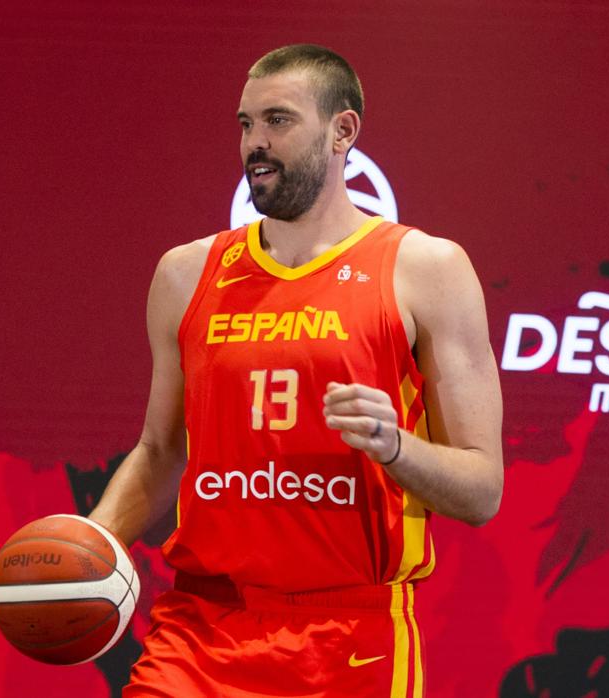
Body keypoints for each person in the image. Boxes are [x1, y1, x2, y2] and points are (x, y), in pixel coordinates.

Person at [88, 43, 504, 697]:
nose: (255, 143)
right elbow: (161, 450)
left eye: (277, 121)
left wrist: (395, 446)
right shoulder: (185, 273)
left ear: (343, 132)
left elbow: (482, 490)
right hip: (198, 633)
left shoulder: (428, 270)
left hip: (349, 639)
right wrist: (89, 550)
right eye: (245, 124)